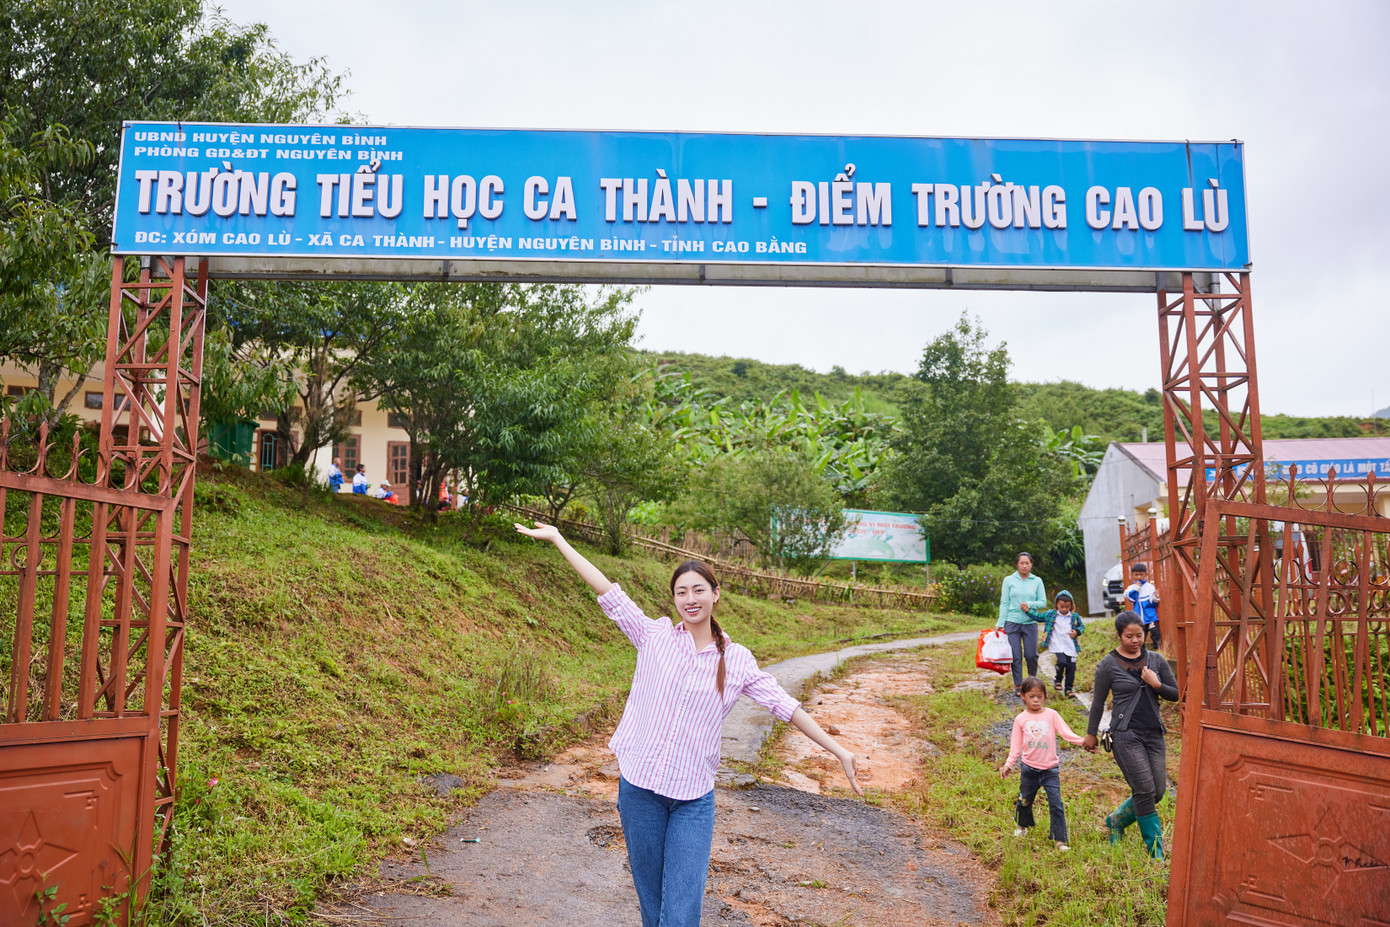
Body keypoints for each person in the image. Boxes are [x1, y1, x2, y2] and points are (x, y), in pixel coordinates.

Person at [513, 521, 862, 927]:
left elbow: (785, 706)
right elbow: (608, 591)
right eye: (682, 592)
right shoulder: (654, 636)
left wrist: (839, 751)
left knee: (680, 915)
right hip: (639, 791)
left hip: (693, 800)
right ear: (674, 599)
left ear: (716, 594)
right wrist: (558, 539)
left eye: (698, 590)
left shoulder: (737, 660)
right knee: (652, 905)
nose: (690, 599)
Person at [1082, 610, 1180, 859]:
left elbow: (1176, 694)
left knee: (1158, 791)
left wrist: (1156, 684)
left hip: (1154, 733)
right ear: (1119, 635)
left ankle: (1117, 820)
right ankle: (1156, 853)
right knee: (1144, 789)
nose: (1135, 640)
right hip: (1125, 735)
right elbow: (1098, 703)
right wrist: (1091, 734)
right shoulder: (1108, 664)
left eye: (1139, 635)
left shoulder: (1156, 660)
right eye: (1129, 636)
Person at [999, 676, 1085, 851]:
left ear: (1045, 696)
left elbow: (1067, 733)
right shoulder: (1020, 719)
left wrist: (1085, 742)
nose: (1036, 700)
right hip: (1029, 769)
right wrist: (1009, 764)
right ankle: (1022, 827)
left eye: (1040, 696)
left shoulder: (1052, 715)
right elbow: (1015, 745)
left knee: (1056, 804)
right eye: (1032, 696)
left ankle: (1060, 840)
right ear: (1023, 695)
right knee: (1024, 800)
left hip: (1050, 770)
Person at [997, 552, 1047, 691]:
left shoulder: (1037, 581)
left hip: (1030, 622)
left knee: (1031, 655)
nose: (1024, 566)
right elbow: (1004, 603)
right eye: (1021, 563)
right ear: (1017, 564)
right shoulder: (1008, 580)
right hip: (1012, 623)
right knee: (1015, 655)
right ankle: (1018, 685)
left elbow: (1042, 602)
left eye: (1027, 563)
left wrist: (1030, 605)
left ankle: (1032, 682)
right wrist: (1000, 623)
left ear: (1031, 564)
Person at [1031, 590, 1084, 696]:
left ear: (1071, 606)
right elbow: (1038, 617)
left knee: (1071, 667)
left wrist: (1077, 632)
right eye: (1062, 607)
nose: (1064, 609)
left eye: (1067, 607)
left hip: (1070, 645)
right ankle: (1058, 680)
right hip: (1057, 644)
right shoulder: (1051, 614)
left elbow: (1081, 626)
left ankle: (1069, 688)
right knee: (1062, 662)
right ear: (1056, 605)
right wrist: (1028, 610)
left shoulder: (1074, 616)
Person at [1123, 563, 1162, 650]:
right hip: (1138, 618)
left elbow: (1152, 603)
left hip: (1151, 617)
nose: (1139, 577)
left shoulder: (1150, 587)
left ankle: (1158, 651)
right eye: (1136, 575)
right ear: (1132, 575)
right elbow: (1131, 598)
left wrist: (1156, 597)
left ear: (1146, 575)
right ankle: (1141, 653)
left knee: (1155, 634)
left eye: (1141, 574)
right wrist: (1137, 588)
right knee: (1141, 636)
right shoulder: (1131, 588)